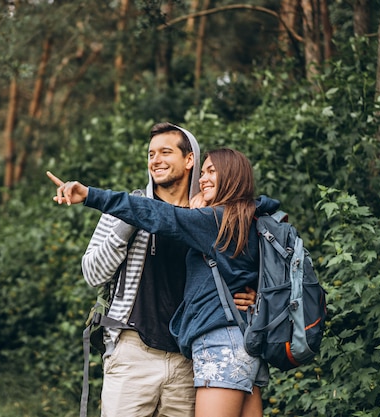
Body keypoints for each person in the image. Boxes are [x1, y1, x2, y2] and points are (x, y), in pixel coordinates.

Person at [47, 148, 279, 417]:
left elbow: (157, 214)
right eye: (203, 173)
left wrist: (90, 195)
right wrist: (256, 298)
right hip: (242, 343)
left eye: (212, 172)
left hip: (219, 347)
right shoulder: (250, 218)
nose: (203, 179)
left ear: (232, 177)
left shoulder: (215, 220)